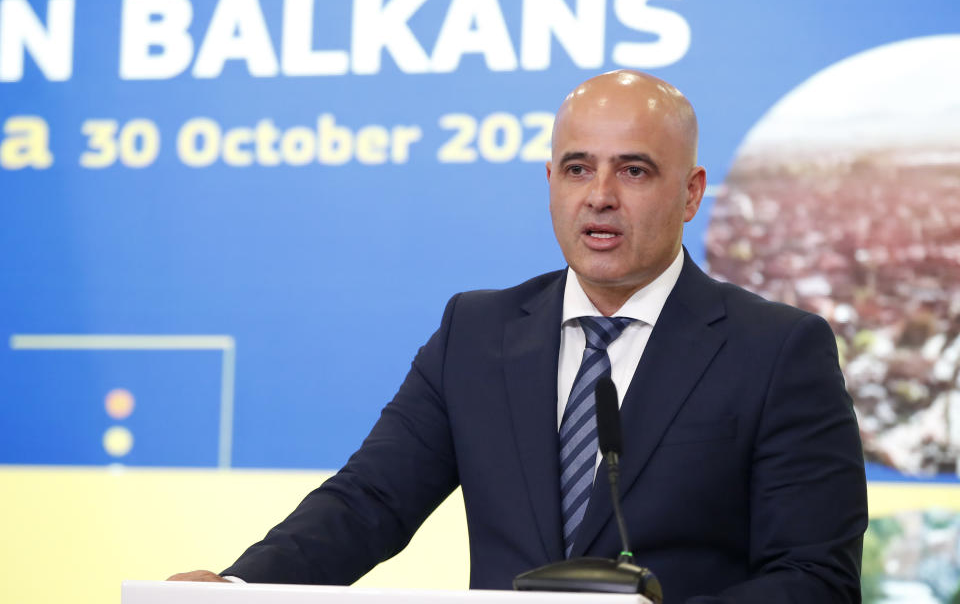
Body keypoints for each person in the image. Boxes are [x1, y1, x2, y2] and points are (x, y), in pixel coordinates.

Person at [170, 70, 868, 602]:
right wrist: (239, 589)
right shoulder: (475, 333)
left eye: (633, 170)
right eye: (577, 168)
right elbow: (369, 502)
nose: (599, 195)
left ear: (690, 193)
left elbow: (815, 579)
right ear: (550, 183)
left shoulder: (777, 351)